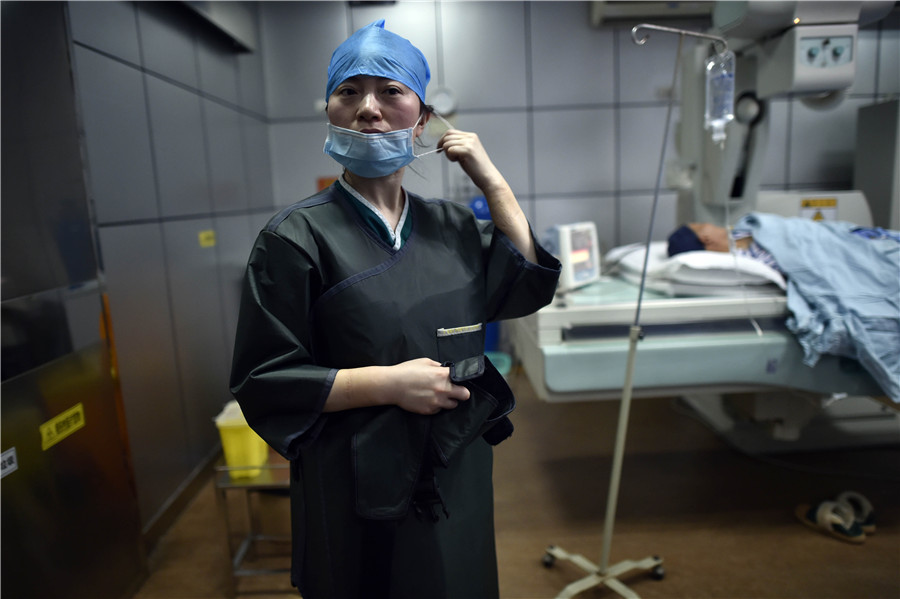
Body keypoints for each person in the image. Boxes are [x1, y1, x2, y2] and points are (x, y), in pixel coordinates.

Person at [229, 20, 561, 599]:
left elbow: (526, 283)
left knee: (458, 579)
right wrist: (387, 385)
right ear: (330, 113)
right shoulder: (294, 238)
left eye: (391, 92)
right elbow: (264, 381)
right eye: (349, 92)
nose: (369, 110)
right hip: (353, 478)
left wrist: (493, 182)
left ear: (423, 118)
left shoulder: (454, 227)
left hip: (456, 465)